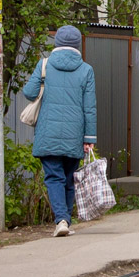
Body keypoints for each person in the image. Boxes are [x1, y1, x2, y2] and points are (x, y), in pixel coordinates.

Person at [24, 25, 96, 237]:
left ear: (56, 43)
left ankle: (61, 220)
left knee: (54, 177)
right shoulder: (86, 70)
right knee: (69, 177)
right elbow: (89, 107)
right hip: (75, 134)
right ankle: (65, 220)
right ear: (77, 45)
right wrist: (89, 137)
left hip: (48, 132)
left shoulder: (44, 65)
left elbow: (29, 93)